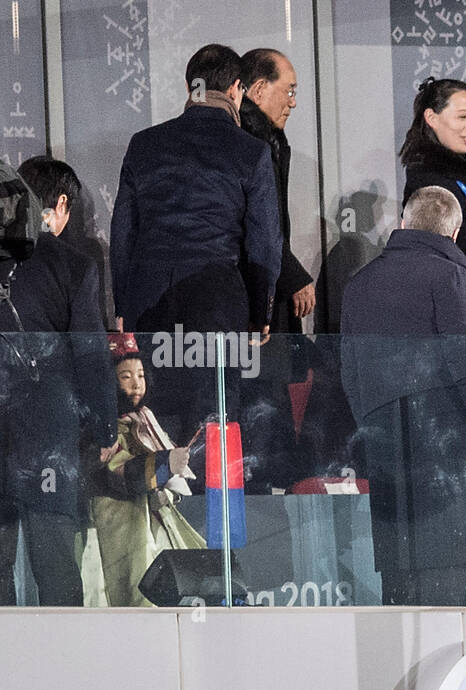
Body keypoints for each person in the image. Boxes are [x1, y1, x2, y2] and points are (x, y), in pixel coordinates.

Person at [340, 186, 466, 606]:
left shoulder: (359, 283)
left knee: (398, 591)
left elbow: (350, 371)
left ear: (403, 224)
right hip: (448, 456)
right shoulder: (453, 276)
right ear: (454, 234)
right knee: (452, 597)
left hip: (386, 451)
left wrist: (373, 428)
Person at [110, 43, 281, 442]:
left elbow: (123, 235)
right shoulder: (251, 152)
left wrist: (124, 308)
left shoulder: (143, 144)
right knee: (215, 419)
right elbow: (264, 244)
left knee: (152, 418)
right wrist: (260, 313)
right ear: (237, 88)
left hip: (149, 301)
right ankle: (213, 502)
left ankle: (161, 503)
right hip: (217, 305)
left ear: (190, 87)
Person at [0, 160, 117, 605]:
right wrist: (106, 426)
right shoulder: (72, 265)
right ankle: (65, 671)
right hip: (48, 438)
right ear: (60, 203)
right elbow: (90, 355)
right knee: (56, 572)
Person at [89, 334, 205, 606]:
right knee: (133, 595)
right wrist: (164, 465)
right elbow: (119, 474)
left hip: (155, 521)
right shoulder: (104, 428)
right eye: (126, 376)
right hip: (122, 523)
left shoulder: (146, 419)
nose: (136, 383)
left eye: (140, 375)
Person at [400, 78, 466, 295]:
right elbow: (457, 242)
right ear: (431, 118)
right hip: (454, 293)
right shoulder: (425, 177)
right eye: (462, 117)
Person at [239, 48, 314, 333]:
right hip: (253, 294)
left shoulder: (269, 140)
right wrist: (293, 276)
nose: (293, 103)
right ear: (259, 89)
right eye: (289, 91)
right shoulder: (249, 145)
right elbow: (255, 224)